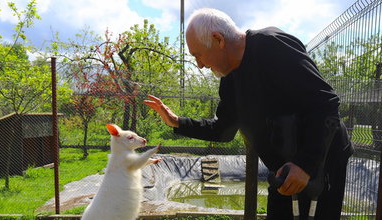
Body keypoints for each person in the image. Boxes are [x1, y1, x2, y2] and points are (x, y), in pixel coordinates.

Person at [143, 8, 354, 220]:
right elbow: (222, 131)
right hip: (282, 170)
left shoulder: (272, 46)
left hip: (320, 160)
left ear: (218, 39)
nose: (199, 65)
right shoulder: (229, 82)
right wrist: (177, 122)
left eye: (198, 55)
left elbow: (324, 103)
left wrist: (305, 165)